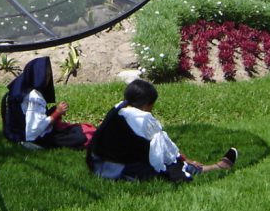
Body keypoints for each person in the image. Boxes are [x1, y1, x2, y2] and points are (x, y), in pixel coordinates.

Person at [86, 78, 237, 182]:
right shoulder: (142, 119)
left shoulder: (120, 107)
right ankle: (213, 168)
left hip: (96, 162)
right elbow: (161, 149)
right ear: (147, 105)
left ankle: (203, 167)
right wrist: (180, 159)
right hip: (115, 169)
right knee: (167, 167)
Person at [2, 56, 94, 149]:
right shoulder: (34, 97)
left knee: (78, 130)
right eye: (46, 74)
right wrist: (56, 113)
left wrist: (54, 111)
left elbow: (32, 116)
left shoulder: (23, 90)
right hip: (34, 137)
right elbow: (34, 130)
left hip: (19, 132)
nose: (48, 77)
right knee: (81, 136)